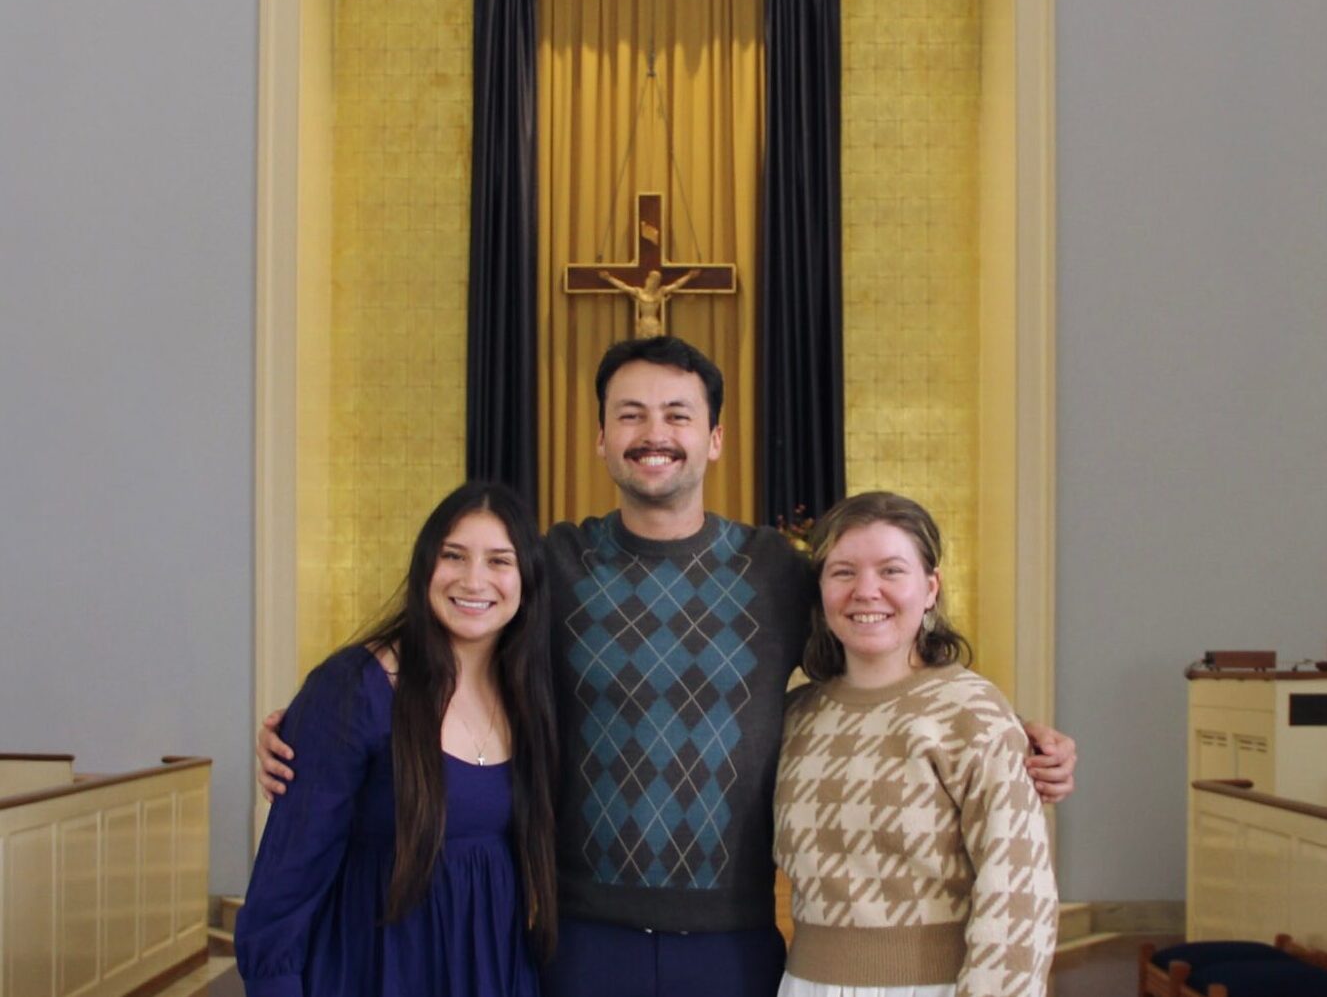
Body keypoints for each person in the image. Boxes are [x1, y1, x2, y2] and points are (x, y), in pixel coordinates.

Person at [258, 337, 1077, 997]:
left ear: (713, 438)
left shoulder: (776, 571)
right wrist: (324, 721)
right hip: (581, 937)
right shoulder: (552, 567)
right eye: (631, 415)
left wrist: (1010, 738)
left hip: (732, 942)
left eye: (677, 415)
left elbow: (877, 659)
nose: (654, 433)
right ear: (601, 438)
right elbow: (458, 643)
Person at [236, 481, 558, 997]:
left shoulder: (530, 692)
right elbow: (285, 884)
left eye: (499, 561)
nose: (474, 580)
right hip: (376, 969)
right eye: (454, 556)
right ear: (425, 565)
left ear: (527, 579)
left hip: (492, 970)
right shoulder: (353, 688)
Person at [774, 491, 1058, 997]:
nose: (866, 591)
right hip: (805, 985)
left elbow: (1019, 892)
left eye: (891, 571)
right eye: (843, 572)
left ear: (929, 589)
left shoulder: (973, 713)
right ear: (820, 591)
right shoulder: (796, 716)